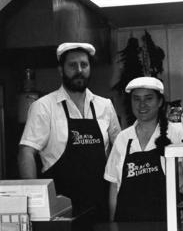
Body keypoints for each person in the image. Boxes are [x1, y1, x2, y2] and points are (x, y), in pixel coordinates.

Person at [18, 42, 121, 218]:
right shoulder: (44, 107)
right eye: (72, 65)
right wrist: (36, 203)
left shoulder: (105, 106)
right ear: (61, 70)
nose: (79, 70)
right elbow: (26, 153)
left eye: (84, 65)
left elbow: (120, 149)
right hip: (61, 210)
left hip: (100, 205)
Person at [104, 76, 183, 222]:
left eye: (148, 98)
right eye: (136, 99)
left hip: (167, 226)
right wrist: (113, 226)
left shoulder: (178, 133)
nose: (142, 104)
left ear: (160, 102)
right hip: (127, 229)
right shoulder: (123, 138)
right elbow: (114, 186)